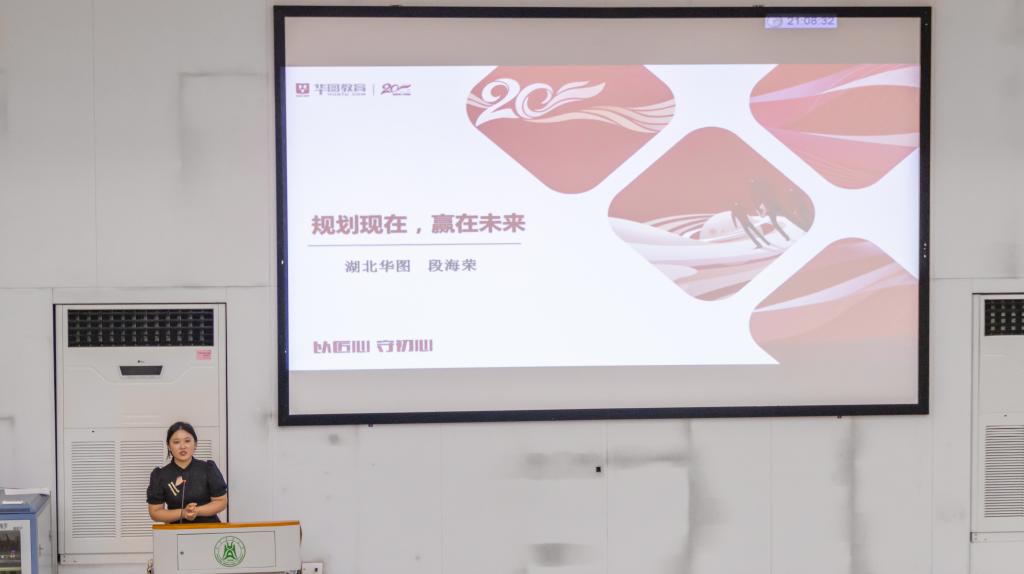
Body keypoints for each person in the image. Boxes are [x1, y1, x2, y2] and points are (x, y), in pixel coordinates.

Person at [147, 421, 227, 524]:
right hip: (176, 531)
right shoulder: (160, 475)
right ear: (169, 446)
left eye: (187, 441)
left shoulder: (208, 468)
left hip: (209, 529)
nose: (182, 446)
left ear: (195, 444)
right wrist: (183, 513)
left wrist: (196, 511)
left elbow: (221, 501)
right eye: (176, 442)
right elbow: (155, 512)